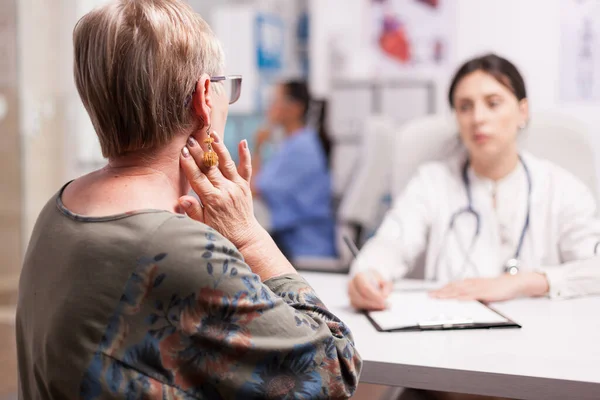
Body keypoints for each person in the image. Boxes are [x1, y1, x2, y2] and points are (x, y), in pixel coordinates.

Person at [16, 1, 361, 398]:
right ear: (203, 99)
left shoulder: (59, 208)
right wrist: (248, 236)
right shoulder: (179, 249)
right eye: (224, 87)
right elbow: (336, 367)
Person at [348, 53, 600, 311]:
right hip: (449, 335)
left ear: (522, 111)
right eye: (465, 107)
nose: (478, 118)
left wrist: (526, 282)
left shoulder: (561, 188)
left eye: (493, 103)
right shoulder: (432, 183)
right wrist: (368, 273)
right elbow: (392, 242)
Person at [252, 81, 337, 260]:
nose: (271, 106)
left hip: (305, 247)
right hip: (293, 243)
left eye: (275, 100)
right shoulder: (294, 143)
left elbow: (252, 188)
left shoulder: (301, 147)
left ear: (295, 108)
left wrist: (258, 147)